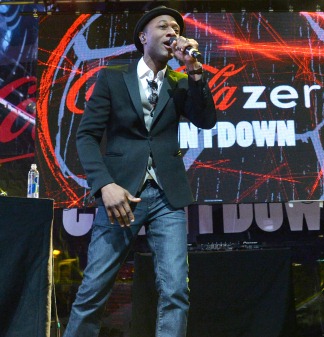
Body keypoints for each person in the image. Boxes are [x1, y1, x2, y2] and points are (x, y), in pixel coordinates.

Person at [64, 6, 217, 337]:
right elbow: (86, 136)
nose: (172, 32)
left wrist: (194, 70)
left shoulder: (180, 82)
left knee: (176, 291)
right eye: (163, 26)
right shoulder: (113, 77)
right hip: (121, 195)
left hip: (168, 197)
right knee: (93, 289)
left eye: (176, 27)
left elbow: (206, 119)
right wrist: (104, 185)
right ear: (143, 37)